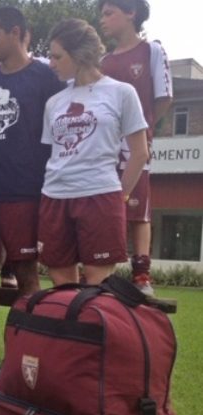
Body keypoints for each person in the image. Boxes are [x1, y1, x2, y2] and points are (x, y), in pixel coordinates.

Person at [0, 7, 66, 364]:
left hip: (25, 191)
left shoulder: (45, 78)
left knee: (25, 273)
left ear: (15, 33)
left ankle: (27, 350)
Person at [40, 18, 149, 287]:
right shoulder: (54, 103)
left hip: (100, 196)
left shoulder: (121, 92)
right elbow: (53, 154)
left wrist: (120, 195)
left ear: (80, 55)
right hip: (54, 197)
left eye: (57, 56)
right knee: (61, 288)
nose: (51, 63)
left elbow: (139, 153)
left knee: (98, 287)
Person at [99, 0, 173, 295]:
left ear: (131, 14)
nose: (102, 21)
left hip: (136, 142)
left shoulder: (152, 50)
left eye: (108, 13)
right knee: (106, 203)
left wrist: (145, 130)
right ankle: (102, 269)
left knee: (137, 205)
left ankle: (141, 273)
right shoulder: (103, 61)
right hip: (105, 146)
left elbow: (164, 97)